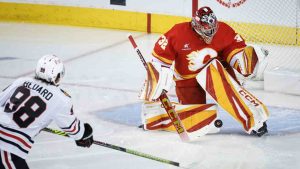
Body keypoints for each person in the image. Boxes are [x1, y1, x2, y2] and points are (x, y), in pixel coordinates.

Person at [140, 6, 269, 137]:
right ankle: (156, 117)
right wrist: (159, 81)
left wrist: (246, 61)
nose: (211, 35)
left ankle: (255, 119)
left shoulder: (224, 30)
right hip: (187, 81)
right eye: (207, 31)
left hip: (216, 73)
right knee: (194, 116)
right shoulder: (177, 33)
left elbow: (235, 52)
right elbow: (159, 60)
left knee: (228, 86)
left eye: (213, 29)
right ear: (196, 26)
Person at [0, 54, 93, 169]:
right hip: (7, 147)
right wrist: (85, 134)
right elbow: (74, 129)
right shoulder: (61, 99)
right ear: (57, 75)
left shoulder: (21, 81)